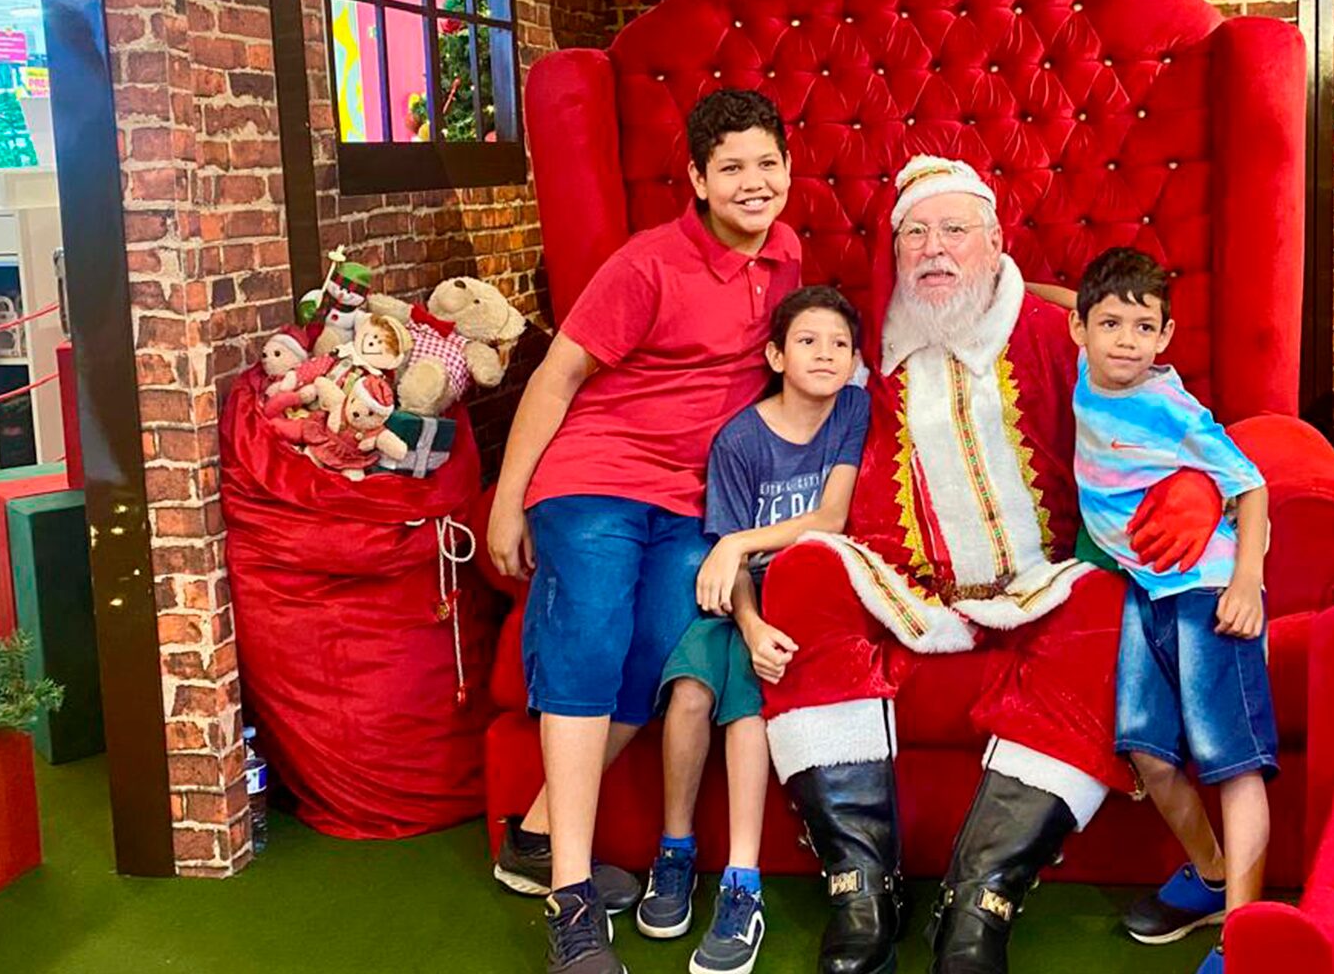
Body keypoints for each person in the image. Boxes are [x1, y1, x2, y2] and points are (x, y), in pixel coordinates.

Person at [757, 155, 1229, 974]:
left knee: (1106, 608)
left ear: (996, 242)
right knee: (803, 575)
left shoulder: (1060, 337)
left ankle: (980, 903)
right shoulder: (861, 355)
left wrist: (1197, 486)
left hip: (1043, 586)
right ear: (894, 253)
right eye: (915, 234)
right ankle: (860, 886)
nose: (933, 250)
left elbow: (1156, 406)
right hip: (905, 587)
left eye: (953, 230)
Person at [484, 88, 801, 974]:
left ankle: (539, 835)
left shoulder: (786, 256)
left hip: (694, 503)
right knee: (589, 635)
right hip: (593, 479)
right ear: (697, 180)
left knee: (664, 650)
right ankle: (572, 901)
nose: (752, 182)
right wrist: (509, 501)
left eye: (766, 163)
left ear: (787, 169)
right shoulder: (647, 264)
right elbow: (557, 377)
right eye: (730, 167)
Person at [641, 286, 870, 974]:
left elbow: (831, 518)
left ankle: (743, 884)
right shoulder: (740, 439)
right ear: (775, 354)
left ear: (855, 360)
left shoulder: (852, 410)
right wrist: (746, 607)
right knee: (688, 694)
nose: (825, 354)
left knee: (745, 704)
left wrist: (738, 542)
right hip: (743, 599)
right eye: (807, 341)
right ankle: (674, 851)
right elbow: (728, 567)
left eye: (839, 344)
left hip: (809, 594)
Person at [1068, 248, 1275, 974]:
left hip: (1209, 587)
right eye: (1110, 323)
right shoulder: (1084, 375)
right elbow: (1066, 296)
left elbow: (1251, 488)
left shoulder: (1171, 408)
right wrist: (1001, 269)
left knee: (1232, 761)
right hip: (1143, 590)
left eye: (1143, 327)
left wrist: (1246, 582)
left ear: (1165, 338)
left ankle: (1244, 934)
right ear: (1079, 330)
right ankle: (1212, 876)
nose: (1125, 339)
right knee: (1149, 756)